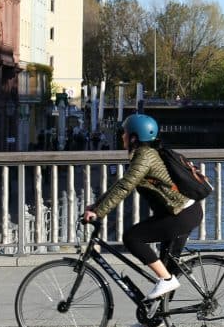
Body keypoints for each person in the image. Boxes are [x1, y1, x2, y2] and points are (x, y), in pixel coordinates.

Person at [81, 113, 203, 302]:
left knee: (132, 237)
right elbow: (122, 183)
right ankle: (157, 317)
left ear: (134, 137)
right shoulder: (148, 154)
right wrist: (97, 205)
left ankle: (167, 279)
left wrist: (98, 213)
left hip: (181, 215)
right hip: (183, 212)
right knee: (167, 265)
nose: (122, 137)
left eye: (125, 133)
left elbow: (125, 187)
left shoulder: (144, 156)